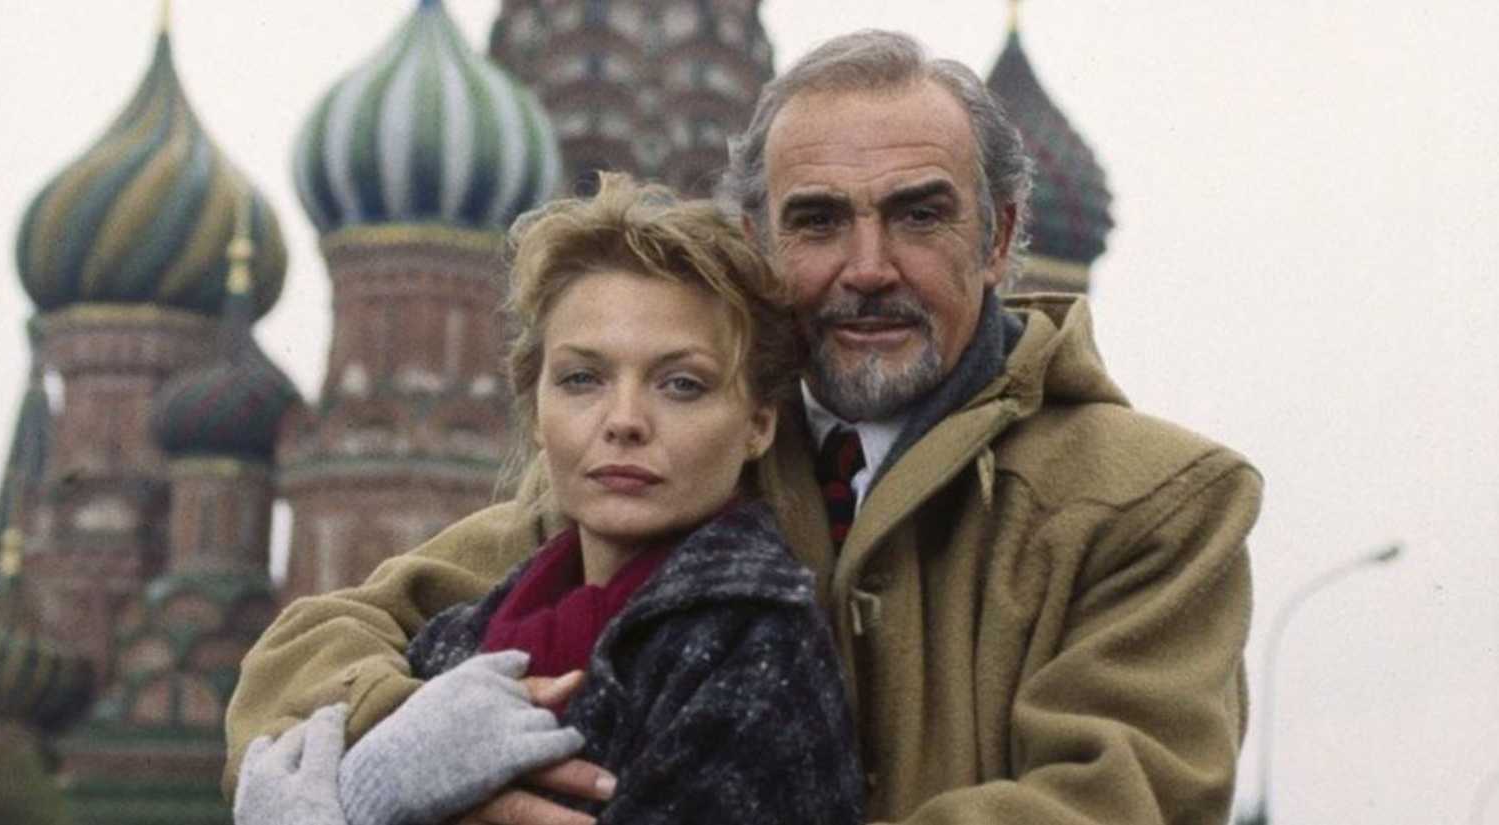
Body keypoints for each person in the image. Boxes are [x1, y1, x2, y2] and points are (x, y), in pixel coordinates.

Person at [227, 29, 1262, 825]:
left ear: (996, 240)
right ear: (759, 246)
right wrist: (431, 760)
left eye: (917, 213)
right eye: (816, 221)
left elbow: (1115, 804)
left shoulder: (1150, 502)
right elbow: (312, 648)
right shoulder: (691, 458)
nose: (867, 267)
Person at [232, 175, 864, 825]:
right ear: (535, 408)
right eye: (581, 378)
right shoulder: (461, 635)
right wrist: (378, 779)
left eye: (681, 384)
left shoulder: (754, 649)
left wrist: (353, 801)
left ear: (758, 423)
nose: (624, 420)